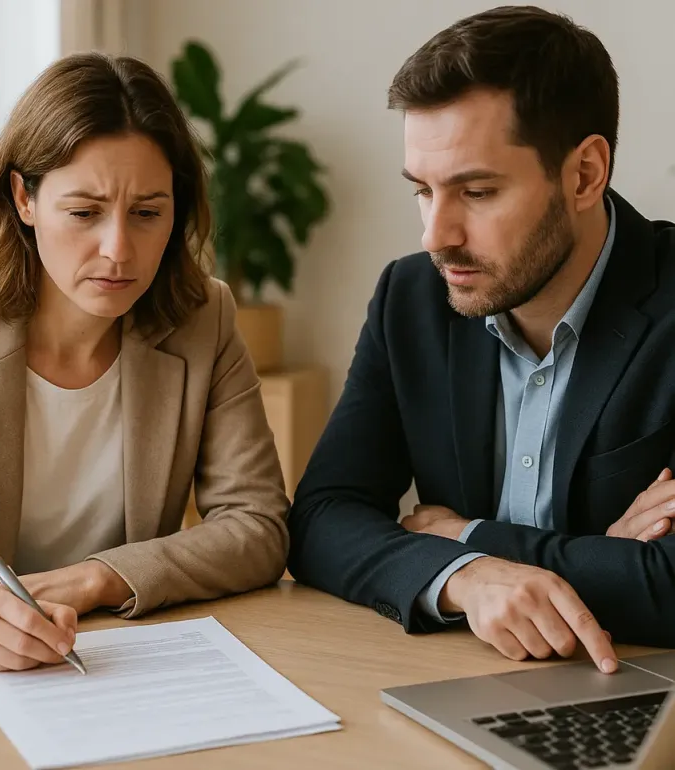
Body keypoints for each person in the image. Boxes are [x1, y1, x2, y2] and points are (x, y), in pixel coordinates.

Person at [287, 5, 675, 674]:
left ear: (584, 174)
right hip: (453, 677)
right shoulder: (408, 300)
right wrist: (467, 577)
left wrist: (461, 535)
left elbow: (669, 587)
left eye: (478, 191)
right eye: (423, 190)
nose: (435, 236)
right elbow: (321, 521)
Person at [0, 53, 289, 671]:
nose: (118, 250)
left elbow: (259, 525)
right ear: (24, 198)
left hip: (126, 662)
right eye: (84, 213)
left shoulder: (202, 319)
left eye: (148, 214)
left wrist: (98, 579)